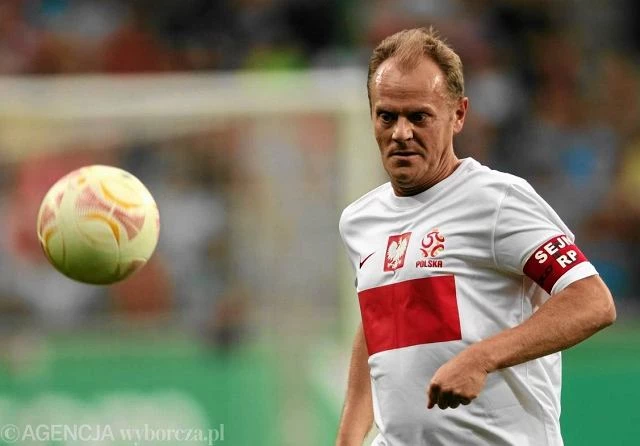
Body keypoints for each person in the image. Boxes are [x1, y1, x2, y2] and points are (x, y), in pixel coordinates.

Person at [336, 27, 616, 446]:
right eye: (387, 116)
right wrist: (347, 438)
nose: (401, 133)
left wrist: (481, 358)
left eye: (419, 117)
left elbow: (592, 301)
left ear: (458, 115)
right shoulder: (360, 220)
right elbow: (377, 323)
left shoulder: (497, 200)